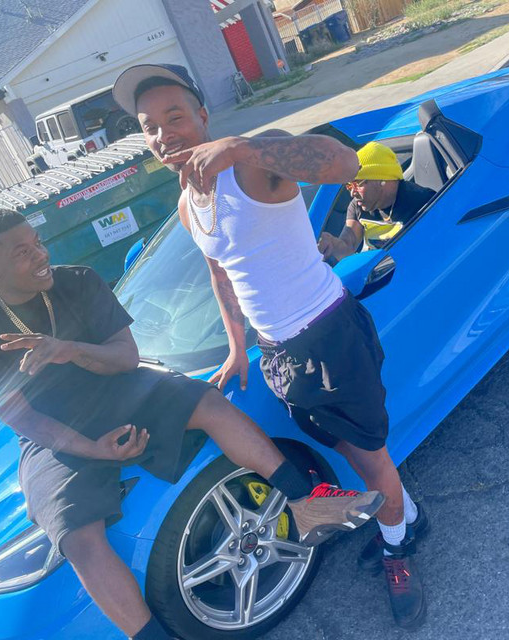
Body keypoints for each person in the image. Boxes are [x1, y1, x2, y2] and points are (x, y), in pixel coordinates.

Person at [0, 209, 383, 640]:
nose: (40, 255)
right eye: (22, 253)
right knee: (77, 537)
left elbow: (126, 357)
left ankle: (305, 502)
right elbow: (22, 418)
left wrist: (69, 349)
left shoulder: (78, 280)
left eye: (37, 242)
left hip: (121, 390)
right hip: (55, 432)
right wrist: (93, 449)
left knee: (210, 404)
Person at [113, 63, 430, 630]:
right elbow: (221, 275)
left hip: (330, 335)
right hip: (279, 354)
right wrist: (237, 349)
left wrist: (243, 147)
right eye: (150, 126)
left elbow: (344, 163)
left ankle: (397, 549)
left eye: (175, 117)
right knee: (342, 446)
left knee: (370, 455)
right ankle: (403, 517)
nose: (164, 134)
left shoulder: (252, 165)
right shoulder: (187, 202)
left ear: (202, 116)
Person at [318, 141, 435, 263]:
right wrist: (332, 243)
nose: (352, 193)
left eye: (357, 184)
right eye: (349, 186)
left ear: (381, 179)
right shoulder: (357, 206)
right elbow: (348, 245)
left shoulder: (423, 201)